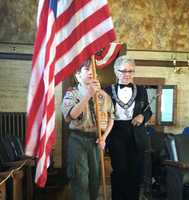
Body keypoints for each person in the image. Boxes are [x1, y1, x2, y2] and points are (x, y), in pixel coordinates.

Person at [61, 59, 114, 200]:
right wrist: (89, 94)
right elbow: (72, 115)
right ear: (78, 75)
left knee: (94, 179)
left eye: (93, 69)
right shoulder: (71, 94)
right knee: (80, 178)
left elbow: (111, 117)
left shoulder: (103, 95)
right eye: (87, 69)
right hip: (78, 139)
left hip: (95, 141)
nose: (91, 72)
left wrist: (104, 137)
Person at [105, 55, 152, 200]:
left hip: (136, 133)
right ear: (115, 71)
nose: (127, 75)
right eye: (124, 71)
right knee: (120, 170)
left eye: (131, 71)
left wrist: (143, 117)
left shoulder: (142, 90)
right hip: (116, 132)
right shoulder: (106, 90)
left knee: (135, 171)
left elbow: (148, 110)